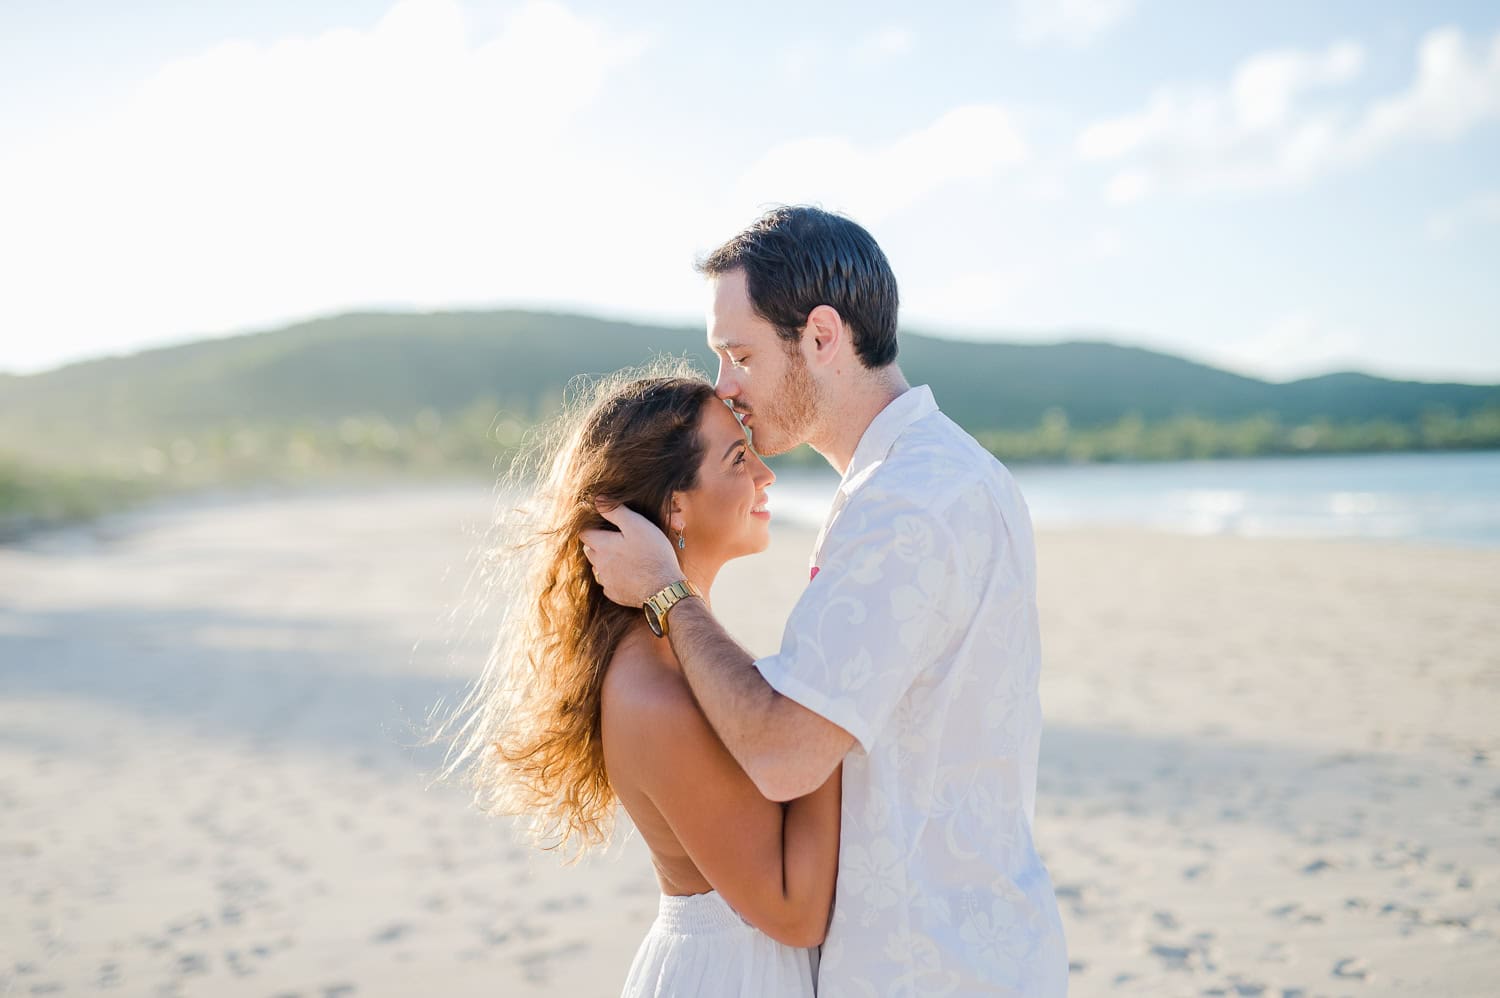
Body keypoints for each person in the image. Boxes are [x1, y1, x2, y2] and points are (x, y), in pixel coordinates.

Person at [582, 206, 1070, 996]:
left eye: (738, 354)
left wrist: (666, 592)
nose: (725, 387)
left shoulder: (906, 507)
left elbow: (781, 754)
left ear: (820, 336)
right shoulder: (918, 480)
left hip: (929, 964)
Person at [435, 365, 840, 997]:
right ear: (675, 504)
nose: (766, 475)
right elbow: (793, 910)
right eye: (738, 458)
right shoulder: (650, 688)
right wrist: (831, 708)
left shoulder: (675, 654)